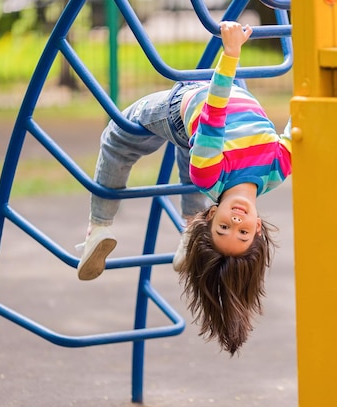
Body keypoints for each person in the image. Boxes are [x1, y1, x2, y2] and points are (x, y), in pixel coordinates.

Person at [76, 21, 292, 355]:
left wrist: (231, 54)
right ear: (258, 229)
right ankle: (186, 234)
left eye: (223, 228)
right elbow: (300, 127)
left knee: (118, 139)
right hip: (237, 88)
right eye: (243, 233)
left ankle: (98, 227)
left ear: (212, 215)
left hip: (185, 107)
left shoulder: (209, 173)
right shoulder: (277, 171)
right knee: (189, 155)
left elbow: (214, 113)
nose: (235, 222)